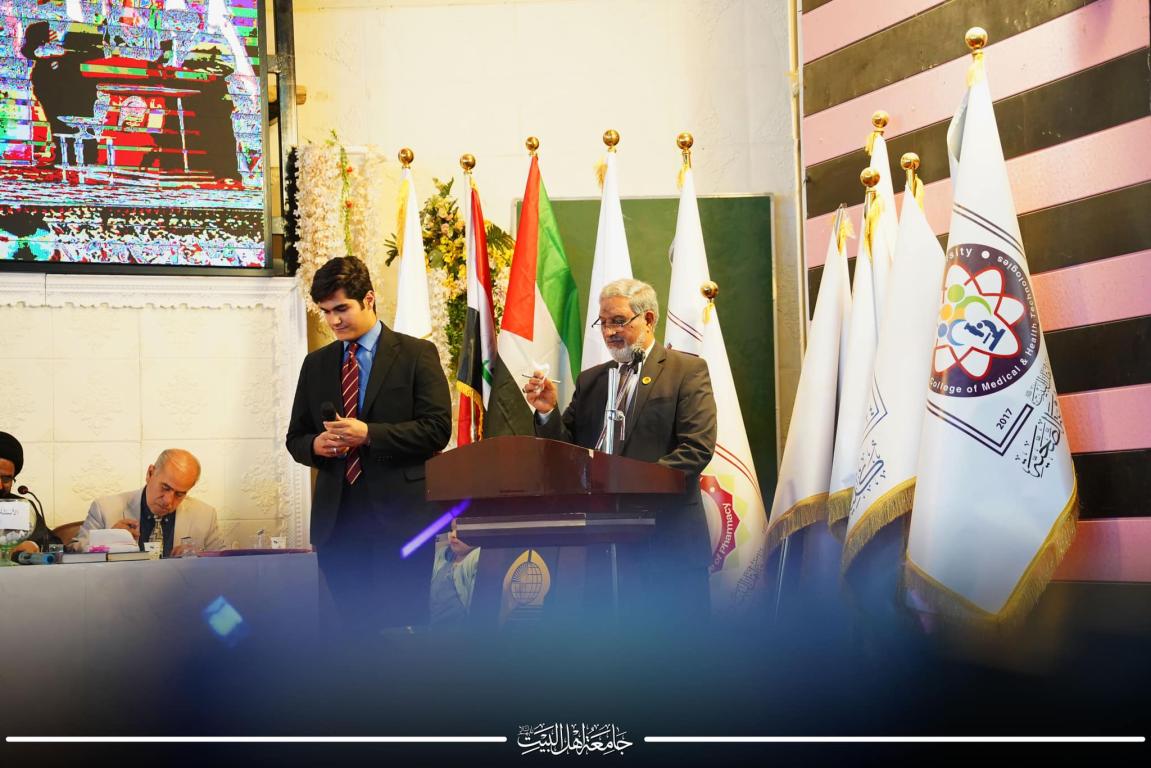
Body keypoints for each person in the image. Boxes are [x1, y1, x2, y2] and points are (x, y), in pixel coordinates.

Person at [524, 278, 717, 624]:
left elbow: (696, 448)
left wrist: (628, 484)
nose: (609, 331)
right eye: (603, 323)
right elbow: (566, 450)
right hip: (601, 545)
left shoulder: (686, 371)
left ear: (649, 319)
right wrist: (547, 412)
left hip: (666, 542)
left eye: (619, 321)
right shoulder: (591, 381)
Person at [286, 256, 452, 633]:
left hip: (402, 520)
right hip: (338, 523)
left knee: (402, 635)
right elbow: (295, 438)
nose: (333, 321)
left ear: (369, 299)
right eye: (326, 312)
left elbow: (437, 430)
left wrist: (369, 434)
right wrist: (316, 445)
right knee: (353, 636)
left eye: (341, 309)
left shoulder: (416, 354)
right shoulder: (315, 364)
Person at [73, 449, 224, 556]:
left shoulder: (205, 516)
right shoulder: (105, 509)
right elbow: (72, 554)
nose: (168, 501)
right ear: (150, 473)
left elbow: (224, 564)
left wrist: (202, 557)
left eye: (179, 494)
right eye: (165, 487)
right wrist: (107, 540)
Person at [0, 430, 59, 558]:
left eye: (5, 479)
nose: (0, 485)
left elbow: (53, 544)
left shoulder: (20, 507)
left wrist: (33, 545)